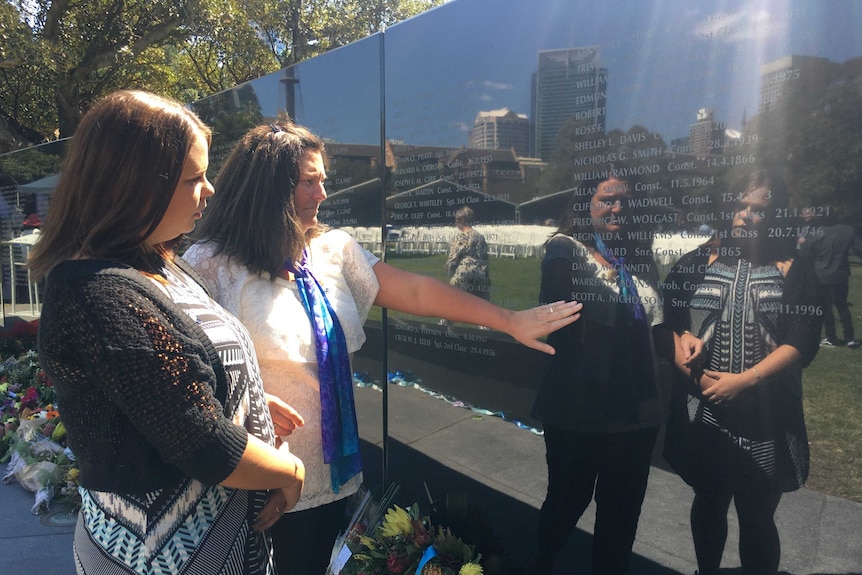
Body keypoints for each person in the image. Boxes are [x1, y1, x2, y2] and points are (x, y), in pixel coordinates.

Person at [182, 121, 583, 575]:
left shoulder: (334, 250)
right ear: (267, 188)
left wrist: (509, 320)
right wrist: (243, 405)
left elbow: (414, 292)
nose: (322, 195)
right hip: (257, 486)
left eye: (323, 181)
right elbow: (182, 375)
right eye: (309, 182)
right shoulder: (210, 264)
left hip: (334, 479)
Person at [30, 91, 306, 575]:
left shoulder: (157, 259)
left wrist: (243, 396)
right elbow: (201, 442)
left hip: (219, 536)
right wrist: (293, 471)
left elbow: (172, 378)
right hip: (160, 551)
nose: (210, 190)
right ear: (133, 187)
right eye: (193, 179)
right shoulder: (98, 294)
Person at [661, 170, 822, 575]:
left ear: (775, 216)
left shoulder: (794, 269)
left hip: (767, 415)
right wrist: (687, 347)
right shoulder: (699, 260)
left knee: (757, 514)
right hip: (706, 413)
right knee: (709, 501)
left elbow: (801, 343)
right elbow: (667, 324)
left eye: (759, 209)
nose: (746, 216)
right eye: (740, 206)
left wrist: (746, 381)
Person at [528, 174, 667, 575]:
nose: (617, 208)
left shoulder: (640, 262)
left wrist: (682, 342)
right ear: (586, 205)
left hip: (635, 410)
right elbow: (557, 304)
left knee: (621, 512)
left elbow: (656, 326)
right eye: (607, 200)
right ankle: (543, 560)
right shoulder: (565, 250)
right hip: (579, 407)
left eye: (624, 201)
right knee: (567, 499)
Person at [797, 207, 862, 348]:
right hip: (841, 274)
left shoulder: (817, 233)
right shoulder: (848, 231)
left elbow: (804, 254)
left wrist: (802, 243)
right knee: (842, 306)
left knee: (826, 308)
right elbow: (859, 249)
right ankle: (850, 337)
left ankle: (831, 337)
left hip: (822, 275)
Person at [446, 206, 491, 300]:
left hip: (464, 276)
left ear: (462, 221)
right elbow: (484, 257)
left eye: (457, 220)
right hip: (481, 277)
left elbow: (453, 259)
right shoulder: (480, 236)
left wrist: (450, 270)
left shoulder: (461, 237)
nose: (455, 223)